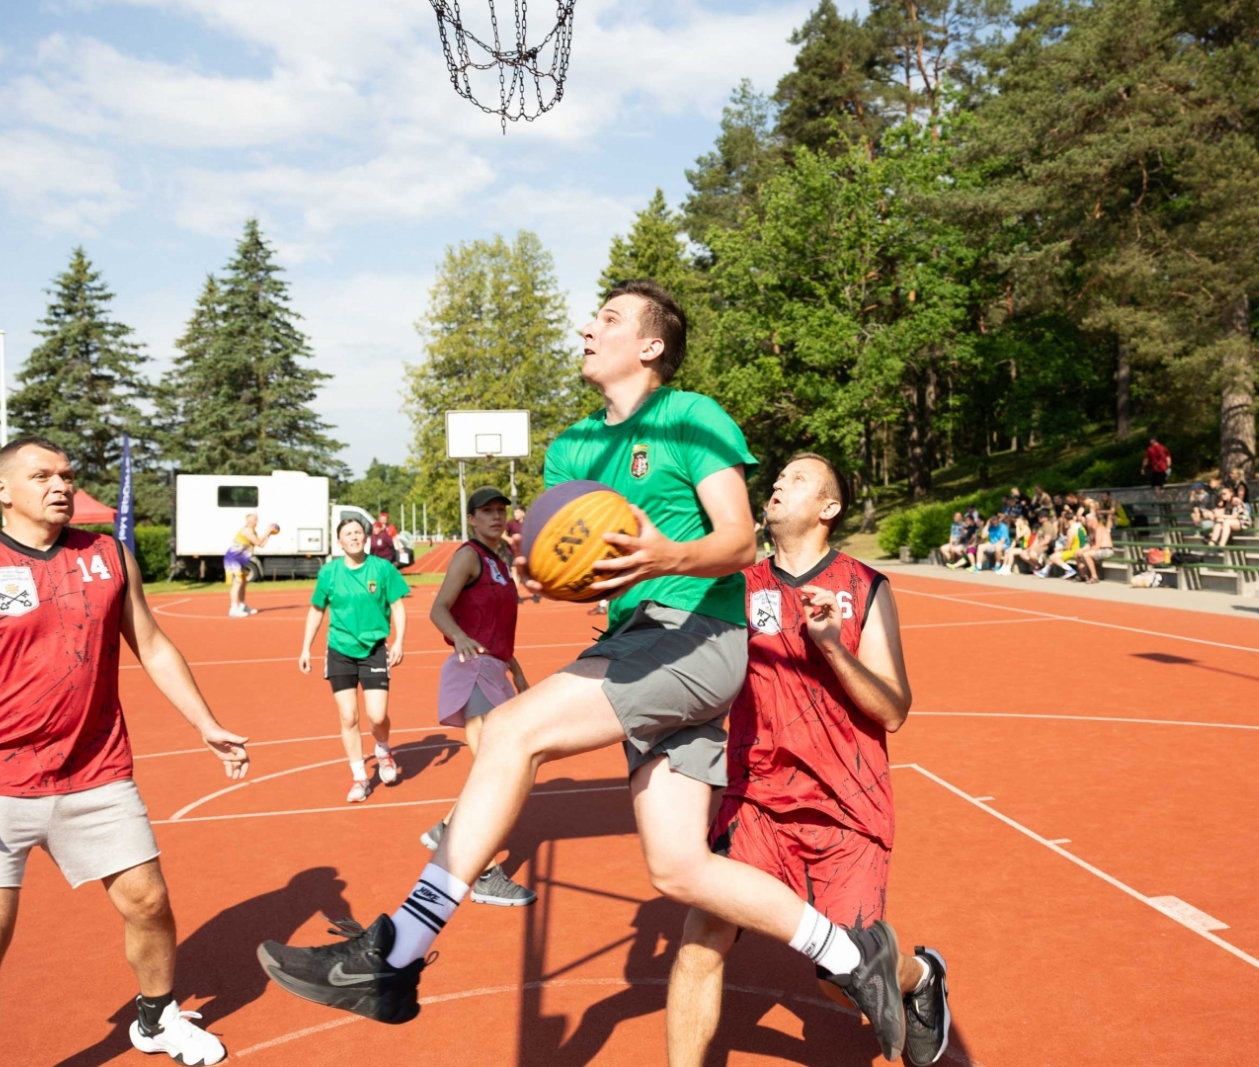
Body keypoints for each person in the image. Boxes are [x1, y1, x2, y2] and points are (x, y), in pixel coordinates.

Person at [257, 280, 911, 1056]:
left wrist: (668, 554)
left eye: (607, 319)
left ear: (651, 344)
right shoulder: (571, 447)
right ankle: (851, 954)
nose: (586, 328)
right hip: (640, 637)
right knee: (679, 867)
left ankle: (396, 951)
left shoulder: (691, 417)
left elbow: (739, 540)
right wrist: (541, 575)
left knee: (507, 731)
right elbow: (568, 556)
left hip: (698, 632)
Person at [0, 437, 249, 1067]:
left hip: (95, 771)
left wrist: (205, 722)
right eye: (42, 476)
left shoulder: (108, 555)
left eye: (66, 475)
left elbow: (151, 642)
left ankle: (154, 1020)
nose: (61, 485)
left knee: (149, 902)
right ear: (2, 491)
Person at [666, 454, 950, 1066]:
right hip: (756, 802)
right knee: (700, 943)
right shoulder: (738, 586)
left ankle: (920, 975)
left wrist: (831, 648)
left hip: (847, 807)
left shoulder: (863, 587)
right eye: (777, 478)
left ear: (829, 507)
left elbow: (894, 709)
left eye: (796, 478)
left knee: (840, 975)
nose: (776, 484)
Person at [420, 486, 535, 906]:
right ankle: (484, 876)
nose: (495, 517)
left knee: (498, 768)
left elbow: (498, 630)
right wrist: (460, 636)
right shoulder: (468, 556)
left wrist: (516, 671)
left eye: (500, 510)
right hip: (471, 670)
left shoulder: (499, 561)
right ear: (471, 519)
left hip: (495, 671)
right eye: (486, 511)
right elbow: (438, 608)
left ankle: (446, 829)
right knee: (496, 772)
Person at [298, 516, 411, 804]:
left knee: (377, 717)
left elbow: (398, 606)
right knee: (348, 717)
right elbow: (316, 610)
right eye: (348, 533)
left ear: (366, 537)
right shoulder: (330, 573)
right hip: (340, 651)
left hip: (374, 648)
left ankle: (383, 750)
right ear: (340, 541)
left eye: (358, 532)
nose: (354, 537)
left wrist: (398, 640)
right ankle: (360, 777)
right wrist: (305, 648)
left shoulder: (382, 569)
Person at [224, 512, 276, 618]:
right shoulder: (247, 531)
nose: (257, 521)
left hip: (240, 560)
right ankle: (233, 609)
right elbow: (257, 542)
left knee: (243, 582)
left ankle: (242, 605)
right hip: (233, 559)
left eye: (256, 519)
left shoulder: (253, 531)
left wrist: (269, 534)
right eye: (255, 519)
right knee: (237, 582)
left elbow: (261, 545)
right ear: (250, 521)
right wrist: (267, 532)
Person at [1074, 505, 1115, 583]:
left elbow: (1097, 546)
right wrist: (1081, 550)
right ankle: (1083, 575)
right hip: (1098, 549)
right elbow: (1090, 544)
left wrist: (1084, 551)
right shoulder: (1092, 530)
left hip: (1106, 550)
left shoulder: (1099, 529)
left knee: (1086, 554)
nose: (1086, 523)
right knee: (1077, 553)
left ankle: (1094, 577)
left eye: (1087, 521)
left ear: (1092, 521)